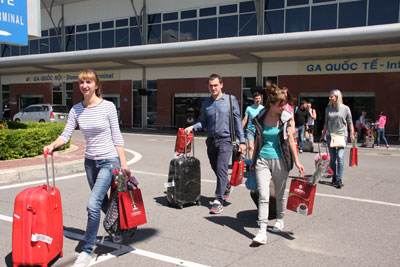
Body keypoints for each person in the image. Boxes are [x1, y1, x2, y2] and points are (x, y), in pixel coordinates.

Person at [43, 69, 131, 267]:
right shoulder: (76, 109)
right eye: (82, 82)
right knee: (101, 202)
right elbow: (66, 135)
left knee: (92, 205)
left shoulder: (108, 107)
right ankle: (117, 228)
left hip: (109, 161)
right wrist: (52, 145)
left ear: (96, 85)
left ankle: (87, 249)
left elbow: (117, 136)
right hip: (90, 162)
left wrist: (124, 163)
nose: (85, 85)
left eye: (88, 82)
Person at [185, 74, 246, 214]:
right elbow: (203, 122)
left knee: (221, 167)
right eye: (211, 86)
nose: (213, 88)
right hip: (211, 141)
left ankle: (218, 200)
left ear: (221, 85)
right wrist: (193, 127)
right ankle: (226, 186)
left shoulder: (231, 100)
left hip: (226, 140)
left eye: (215, 85)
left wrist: (242, 141)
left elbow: (237, 121)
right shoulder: (206, 103)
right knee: (216, 167)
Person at [251, 88, 305, 245]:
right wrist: (252, 159)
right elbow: (257, 139)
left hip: (280, 160)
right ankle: (262, 231)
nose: (284, 108)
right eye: (281, 105)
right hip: (262, 159)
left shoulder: (286, 117)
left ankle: (280, 219)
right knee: (263, 195)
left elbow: (290, 141)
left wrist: (297, 161)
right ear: (272, 104)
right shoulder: (260, 116)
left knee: (280, 194)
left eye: (285, 104)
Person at [320, 89, 354, 189]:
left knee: (340, 157)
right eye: (329, 96)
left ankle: (339, 178)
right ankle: (334, 176)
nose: (329, 98)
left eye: (331, 96)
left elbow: (350, 121)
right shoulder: (328, 109)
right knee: (333, 159)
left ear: (337, 98)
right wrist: (323, 135)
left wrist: (352, 133)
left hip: (342, 136)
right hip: (331, 136)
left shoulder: (345, 109)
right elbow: (326, 123)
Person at [242, 92, 264, 159]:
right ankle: (250, 164)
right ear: (253, 99)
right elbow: (245, 120)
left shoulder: (263, 109)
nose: (258, 100)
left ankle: (257, 162)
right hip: (250, 130)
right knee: (251, 147)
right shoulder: (249, 108)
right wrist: (240, 130)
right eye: (256, 98)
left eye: (259, 98)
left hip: (259, 130)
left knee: (258, 148)